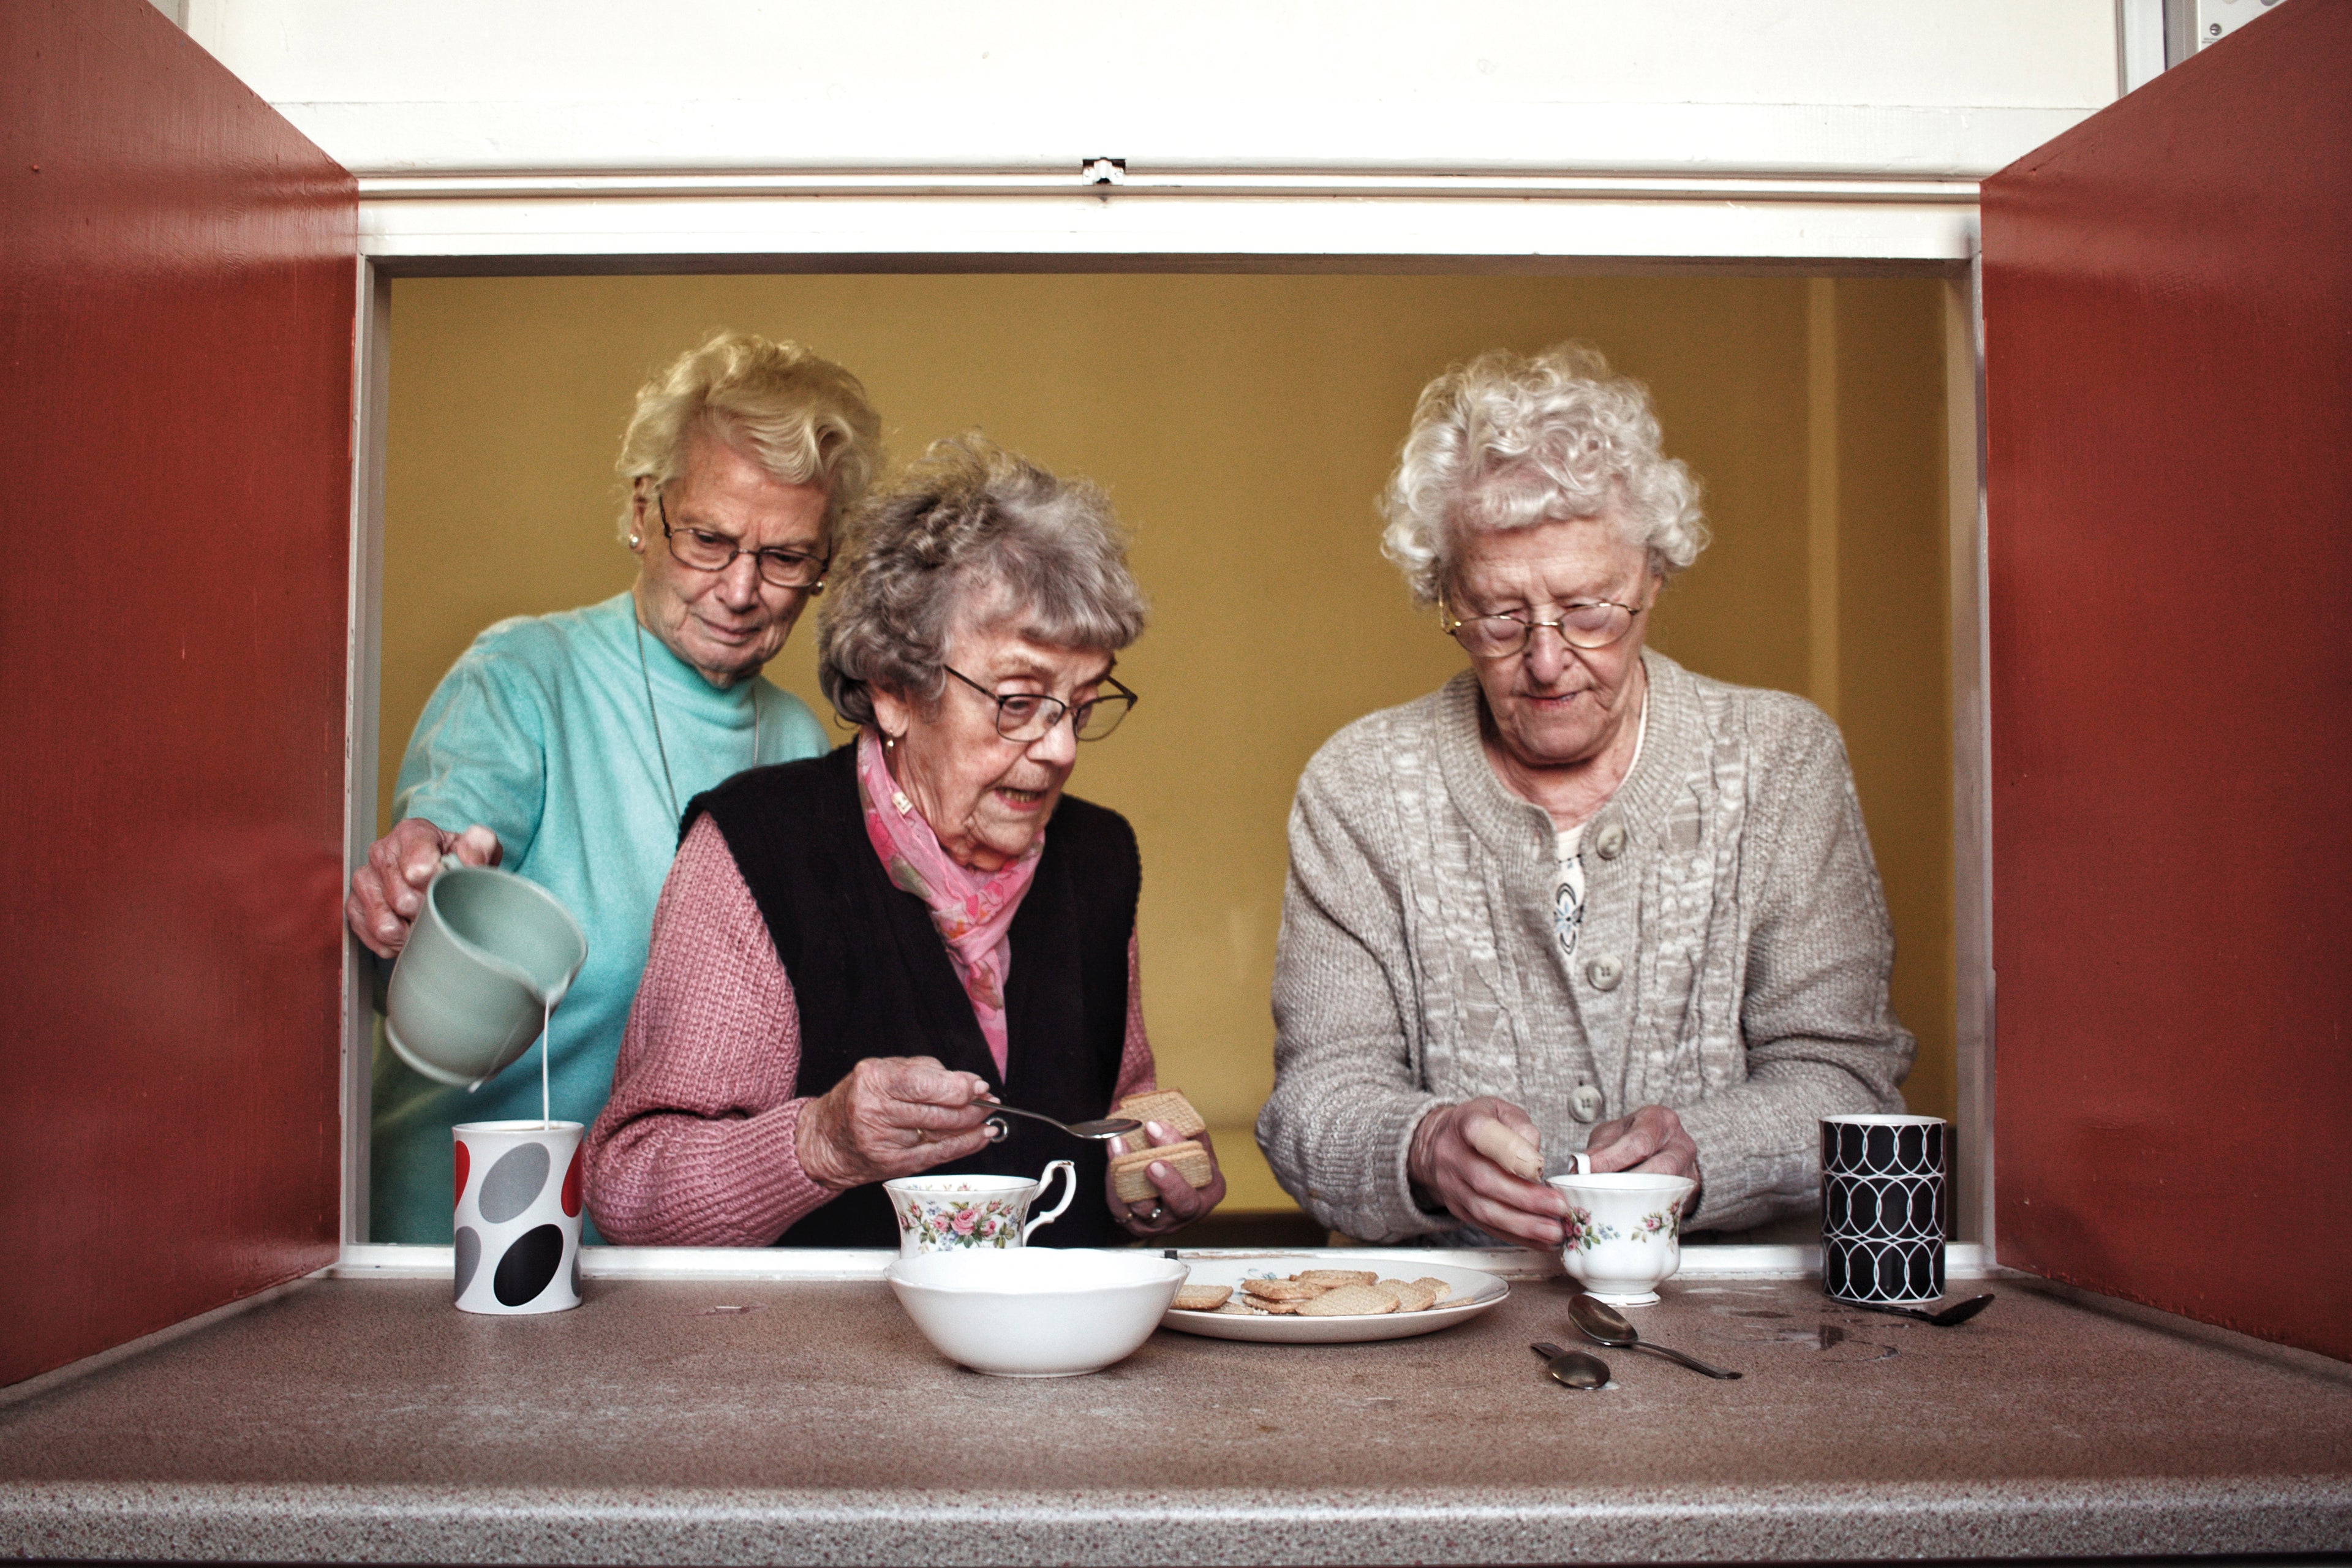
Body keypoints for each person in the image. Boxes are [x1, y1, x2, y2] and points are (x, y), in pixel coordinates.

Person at [1258, 343, 1913, 1249]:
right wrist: (1420, 1144)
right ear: (1445, 593)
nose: (1546, 657)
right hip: (1451, 1324)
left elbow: (1849, 1085)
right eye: (1498, 614)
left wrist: (1705, 1152)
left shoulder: (1779, 761)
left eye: (1592, 610)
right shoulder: (1361, 786)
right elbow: (1313, 1103)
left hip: (1741, 1330)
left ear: (1653, 576)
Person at [584, 435, 1225, 1247]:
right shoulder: (761, 850)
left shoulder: (1097, 859)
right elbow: (634, 1188)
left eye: (1083, 704)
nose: (1061, 748)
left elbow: (1121, 1118)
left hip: (1065, 1358)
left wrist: (1152, 1180)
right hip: (826, 1367)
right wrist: (820, 1144)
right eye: (1019, 701)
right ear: (892, 691)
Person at [347, 331, 882, 1244]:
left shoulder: (800, 739)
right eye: (710, 538)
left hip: (672, 1261)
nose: (743, 588)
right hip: (461, 1238)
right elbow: (446, 840)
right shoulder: (523, 674)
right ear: (644, 512)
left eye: (788, 558)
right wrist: (419, 878)